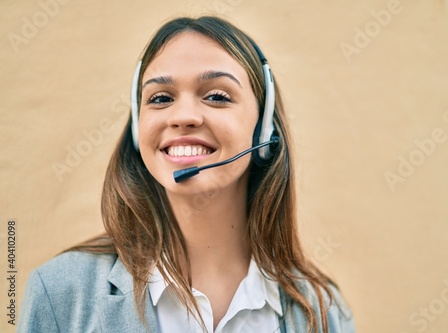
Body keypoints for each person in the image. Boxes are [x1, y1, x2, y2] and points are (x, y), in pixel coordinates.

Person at [18, 16, 355, 333]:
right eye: (161, 98)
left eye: (217, 96)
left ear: (264, 130)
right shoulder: (60, 294)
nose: (184, 116)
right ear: (138, 129)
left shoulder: (322, 311)